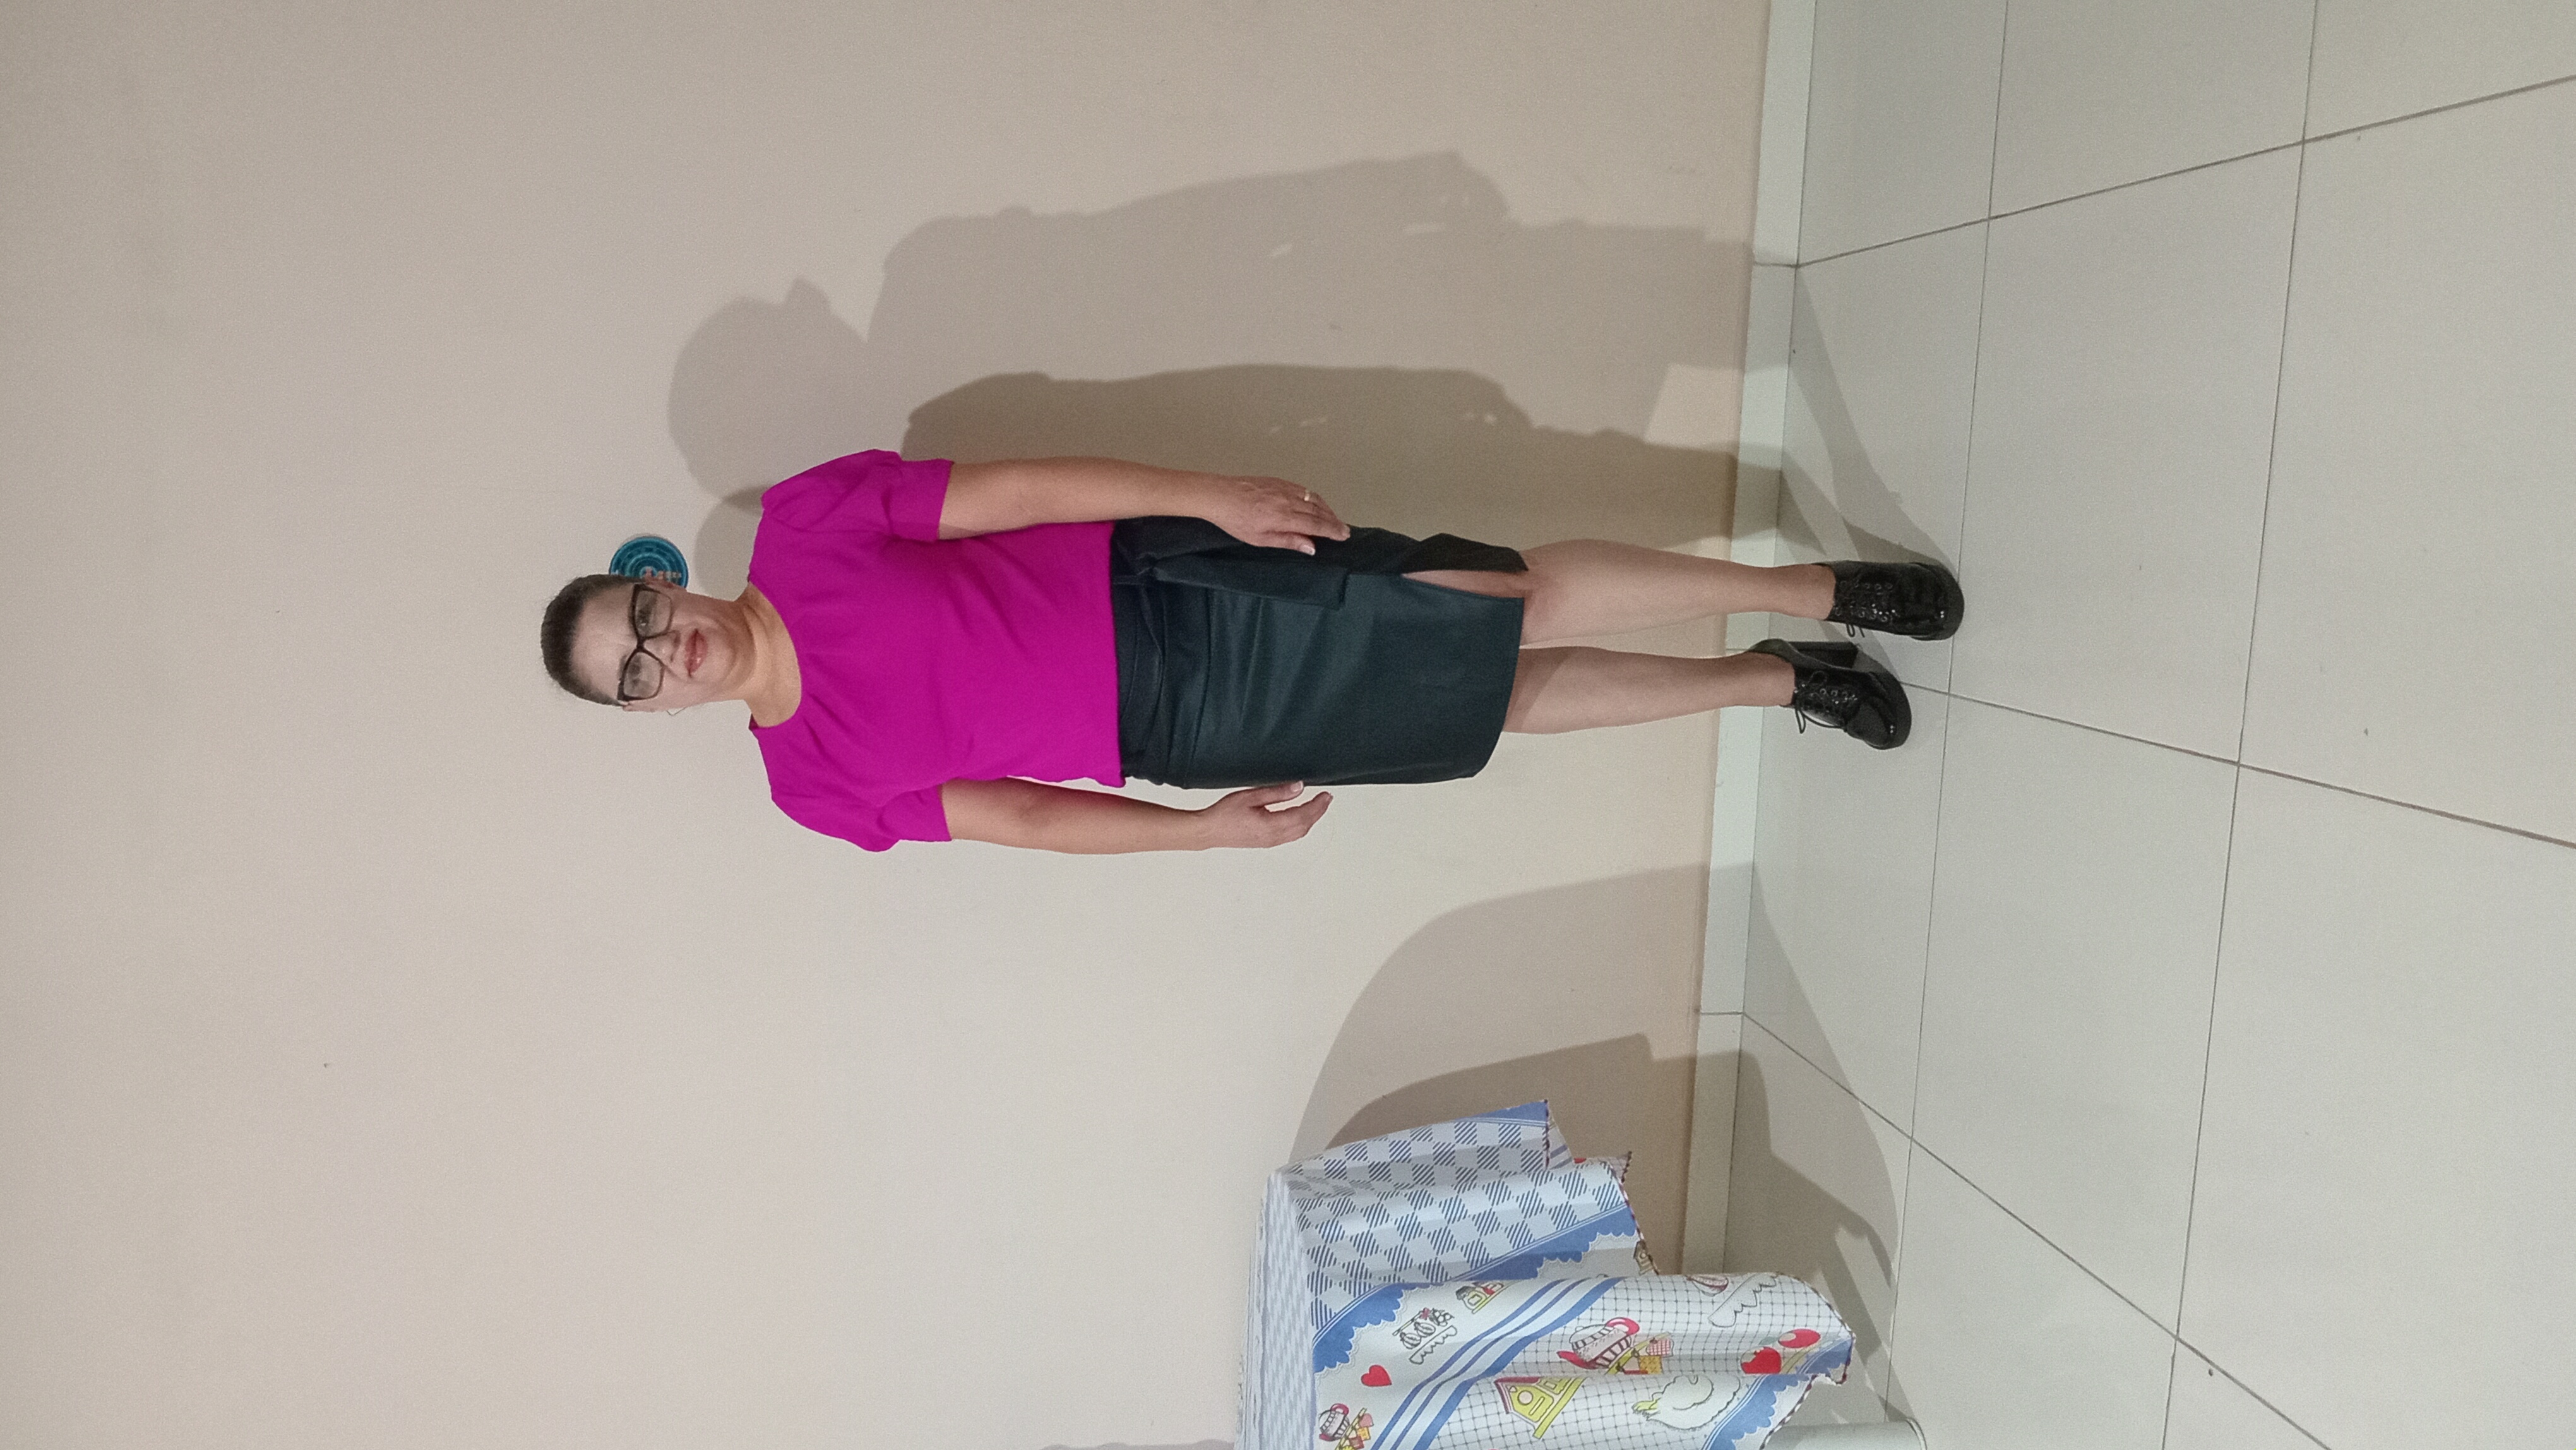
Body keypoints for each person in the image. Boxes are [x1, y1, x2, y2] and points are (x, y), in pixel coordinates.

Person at [539, 452, 1960, 854]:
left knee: (1499, 596)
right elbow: (1021, 816)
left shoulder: (805, 527)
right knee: (1497, 701)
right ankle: (1782, 679)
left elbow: (1018, 490)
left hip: (1177, 592)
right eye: (636, 673)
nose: (668, 651)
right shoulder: (812, 787)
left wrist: (1206, 496)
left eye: (642, 620)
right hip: (1179, 734)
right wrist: (1196, 834)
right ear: (647, 708)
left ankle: (1821, 584)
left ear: (657, 583)